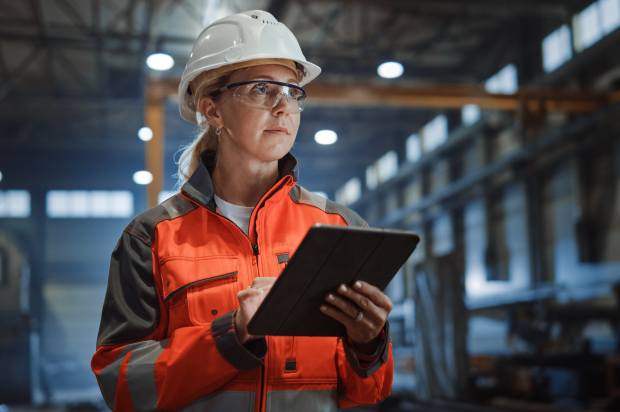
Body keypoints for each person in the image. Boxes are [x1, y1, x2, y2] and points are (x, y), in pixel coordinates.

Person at [91, 10, 393, 412]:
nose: (284, 107)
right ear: (212, 110)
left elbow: (367, 391)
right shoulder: (152, 237)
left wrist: (369, 344)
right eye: (262, 89)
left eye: (292, 92)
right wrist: (230, 335)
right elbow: (122, 386)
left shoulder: (339, 227)